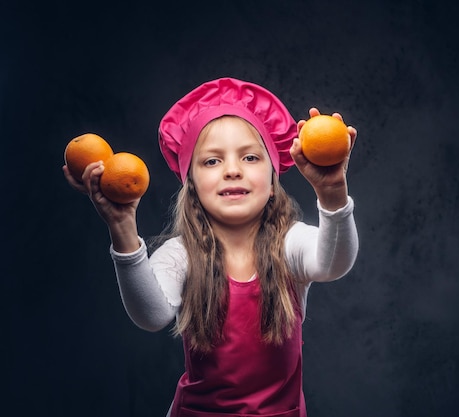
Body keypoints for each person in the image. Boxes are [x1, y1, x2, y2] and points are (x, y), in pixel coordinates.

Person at [62, 77, 359, 417]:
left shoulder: (289, 243)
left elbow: (332, 263)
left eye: (249, 157)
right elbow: (152, 315)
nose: (232, 170)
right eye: (212, 161)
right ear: (192, 186)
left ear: (273, 181)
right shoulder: (182, 254)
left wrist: (333, 191)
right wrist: (121, 224)